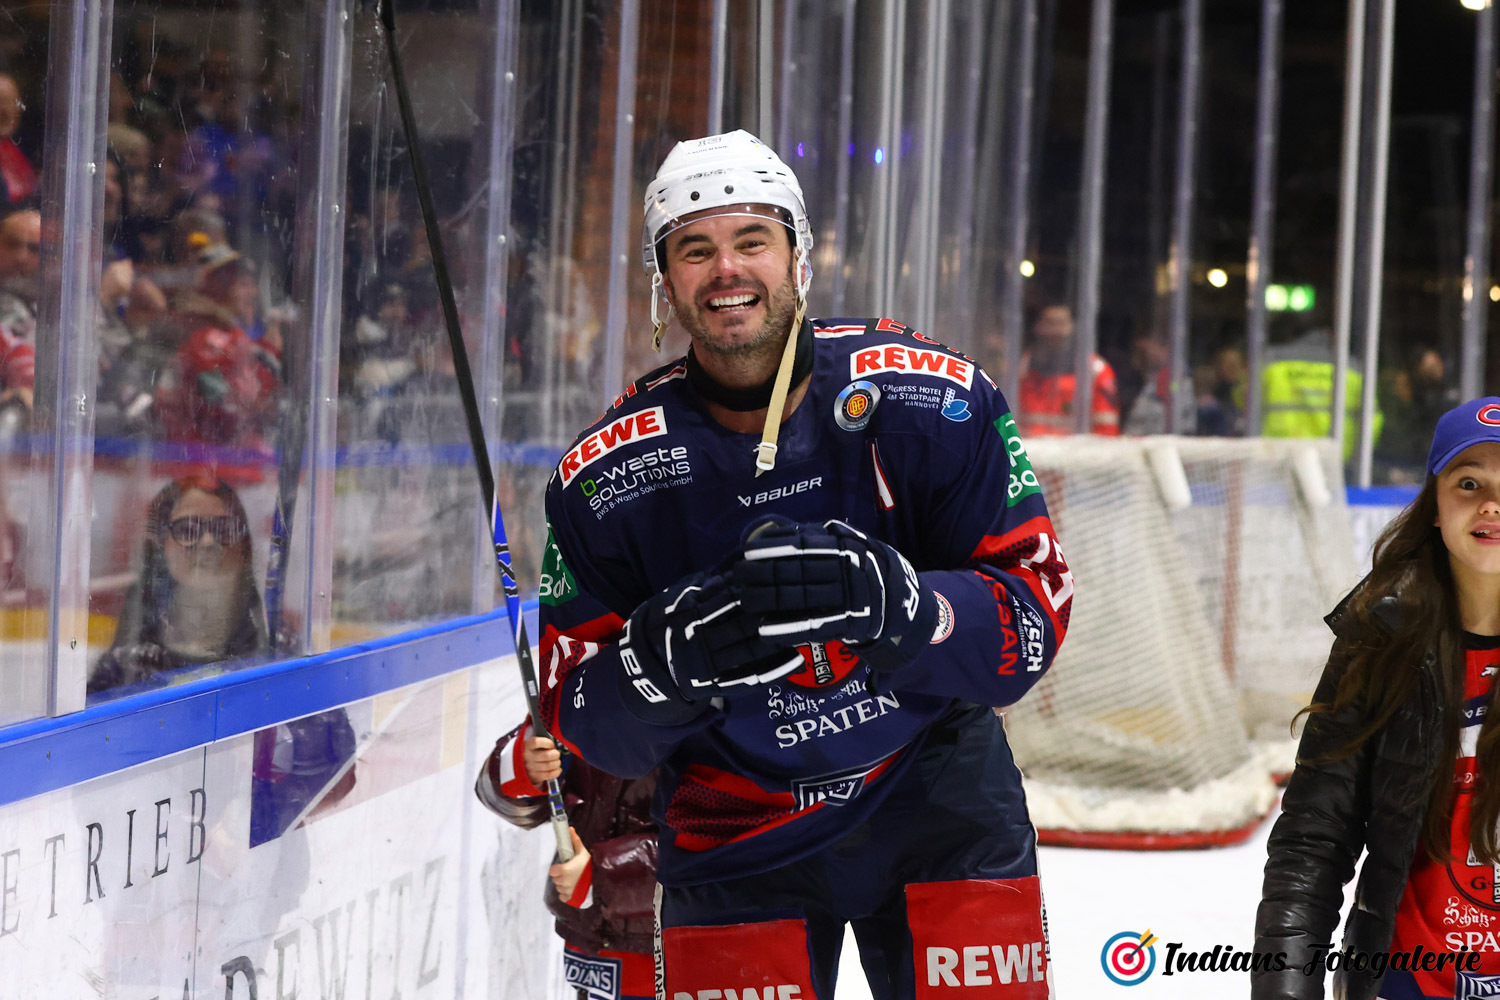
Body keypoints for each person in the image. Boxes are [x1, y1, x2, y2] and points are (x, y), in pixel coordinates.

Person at [534, 130, 1072, 998]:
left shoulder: (933, 398)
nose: (726, 270)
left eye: (752, 240)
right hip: (731, 825)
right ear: (663, 280)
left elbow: (1035, 614)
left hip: (939, 802)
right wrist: (654, 672)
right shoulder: (604, 479)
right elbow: (577, 711)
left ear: (799, 256)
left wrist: (908, 608)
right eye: (695, 250)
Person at [1253, 396, 1500, 999]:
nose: (1491, 505)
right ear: (1435, 507)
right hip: (1406, 983)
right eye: (1469, 483)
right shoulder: (1382, 639)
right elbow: (1314, 838)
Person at [476, 720, 657, 1000]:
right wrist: (521, 769)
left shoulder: (710, 703)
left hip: (678, 950)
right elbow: (501, 792)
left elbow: (721, 848)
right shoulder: (579, 694)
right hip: (587, 941)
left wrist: (603, 876)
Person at [88, 473, 267, 692]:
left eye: (223, 529)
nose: (208, 542)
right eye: (188, 530)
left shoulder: (276, 647)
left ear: (243, 547)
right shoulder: (128, 661)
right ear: (161, 546)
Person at [1016, 301, 1120, 436]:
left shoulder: (1096, 372)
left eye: (1061, 323)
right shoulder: (1020, 369)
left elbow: (1106, 430)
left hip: (1076, 449)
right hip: (1026, 448)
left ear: (1073, 327)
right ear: (1037, 327)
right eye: (1049, 323)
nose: (1055, 331)